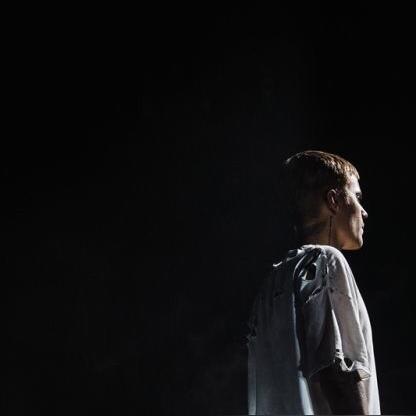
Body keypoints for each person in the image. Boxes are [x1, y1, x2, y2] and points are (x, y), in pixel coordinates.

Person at [247, 150, 380, 415]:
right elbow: (338, 373)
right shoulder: (326, 261)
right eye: (356, 197)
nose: (364, 212)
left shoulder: (270, 287)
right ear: (333, 200)